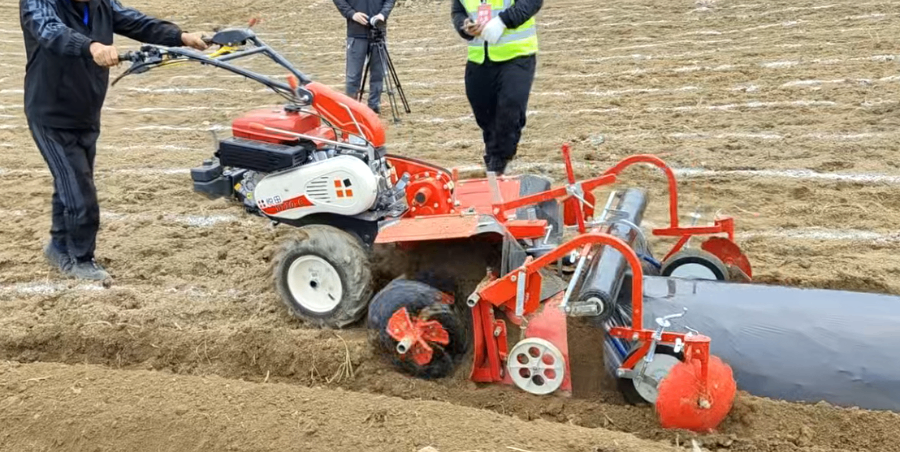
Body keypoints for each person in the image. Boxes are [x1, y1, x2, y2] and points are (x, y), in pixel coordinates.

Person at [20, 0, 208, 281]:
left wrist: (180, 36)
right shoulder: (37, 3)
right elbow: (50, 31)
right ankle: (81, 260)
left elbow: (136, 21)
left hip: (86, 110)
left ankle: (59, 246)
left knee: (71, 183)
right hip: (51, 114)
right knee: (80, 192)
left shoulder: (100, 4)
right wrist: (92, 46)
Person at [451, 0, 541, 176]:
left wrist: (502, 21)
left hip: (516, 55)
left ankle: (499, 159)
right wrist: (465, 26)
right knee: (482, 109)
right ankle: (494, 153)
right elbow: (458, 10)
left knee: (510, 108)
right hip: (479, 58)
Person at [332, 0, 395, 114]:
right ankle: (351, 109)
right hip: (356, 34)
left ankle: (374, 107)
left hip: (378, 32)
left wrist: (383, 14)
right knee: (353, 76)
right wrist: (352, 14)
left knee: (378, 74)